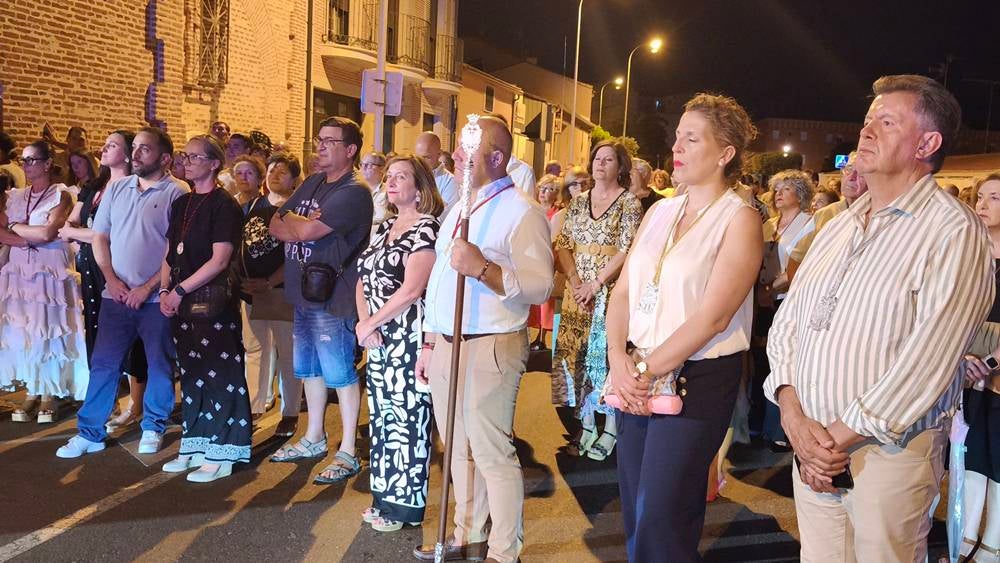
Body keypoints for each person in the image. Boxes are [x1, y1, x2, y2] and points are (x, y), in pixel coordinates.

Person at [764, 75, 994, 562]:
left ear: (927, 143)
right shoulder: (839, 225)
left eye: (886, 122)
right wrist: (792, 413)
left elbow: (927, 363)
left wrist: (831, 441)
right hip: (811, 442)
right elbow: (789, 325)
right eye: (868, 120)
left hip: (888, 456)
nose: (866, 131)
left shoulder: (954, 232)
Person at [605, 93, 762, 562]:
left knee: (664, 511)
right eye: (677, 136)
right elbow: (624, 292)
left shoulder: (740, 220)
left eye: (691, 139)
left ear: (725, 153)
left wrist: (647, 368)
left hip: (696, 379)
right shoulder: (659, 211)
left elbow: (714, 316)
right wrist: (618, 358)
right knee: (635, 505)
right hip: (635, 372)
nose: (677, 146)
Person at [412, 116, 554, 563]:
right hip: (447, 341)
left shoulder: (523, 211)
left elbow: (539, 286)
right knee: (455, 447)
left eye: (469, 150)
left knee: (491, 451)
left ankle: (502, 550)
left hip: (491, 341)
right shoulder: (459, 207)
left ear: (497, 158)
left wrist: (482, 268)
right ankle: (464, 531)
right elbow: (438, 281)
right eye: (458, 148)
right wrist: (430, 340)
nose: (457, 155)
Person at [56, 127, 188, 458]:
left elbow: (175, 250)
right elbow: (100, 237)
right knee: (104, 364)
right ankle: (90, 432)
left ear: (165, 157)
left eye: (145, 149)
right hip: (115, 295)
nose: (136, 154)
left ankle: (154, 426)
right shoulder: (117, 189)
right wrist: (111, 281)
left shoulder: (177, 192)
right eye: (136, 148)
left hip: (156, 297)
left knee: (159, 364)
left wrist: (146, 288)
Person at [268, 116, 373, 487]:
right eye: (320, 139)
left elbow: (306, 229)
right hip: (303, 294)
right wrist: (301, 220)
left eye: (330, 141)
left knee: (340, 374)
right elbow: (274, 223)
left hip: (333, 297)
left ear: (350, 150)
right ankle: (313, 436)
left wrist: (302, 223)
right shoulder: (313, 181)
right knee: (309, 370)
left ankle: (347, 449)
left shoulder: (354, 190)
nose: (321, 146)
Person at [356, 154, 443, 532]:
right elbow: (361, 278)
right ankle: (382, 497)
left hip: (407, 338)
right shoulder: (384, 226)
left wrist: (372, 322)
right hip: (376, 338)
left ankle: (405, 507)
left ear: (419, 188)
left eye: (401, 176)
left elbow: (412, 291)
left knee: (408, 422)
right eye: (389, 176)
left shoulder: (427, 228)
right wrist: (364, 324)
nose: (391, 182)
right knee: (381, 419)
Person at [157, 134, 248, 482]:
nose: (188, 161)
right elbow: (170, 252)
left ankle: (225, 448)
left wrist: (179, 290)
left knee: (221, 372)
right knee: (192, 372)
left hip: (211, 302)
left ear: (214, 163)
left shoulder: (224, 205)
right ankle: (195, 442)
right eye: (186, 155)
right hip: (180, 299)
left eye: (196, 156)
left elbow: (220, 258)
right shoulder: (182, 203)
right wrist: (165, 289)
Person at [552, 140, 642, 461]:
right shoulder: (578, 203)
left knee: (604, 361)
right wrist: (577, 281)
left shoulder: (629, 203)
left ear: (620, 167)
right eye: (596, 159)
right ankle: (587, 424)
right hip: (579, 294)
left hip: (609, 294)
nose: (600, 164)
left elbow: (626, 248)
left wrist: (596, 282)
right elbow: (563, 243)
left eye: (607, 160)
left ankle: (611, 429)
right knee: (577, 362)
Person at [58, 130, 149, 432]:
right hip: (91, 269)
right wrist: (75, 237)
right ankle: (106, 401)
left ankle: (136, 404)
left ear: (127, 154)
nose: (103, 149)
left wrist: (78, 234)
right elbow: (70, 223)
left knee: (133, 338)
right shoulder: (96, 186)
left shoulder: (135, 186)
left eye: (112, 145)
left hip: (118, 267)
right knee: (98, 335)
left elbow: (109, 233)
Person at [0, 140, 88, 423]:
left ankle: (48, 392)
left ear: (48, 163)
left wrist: (16, 230)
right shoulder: (16, 195)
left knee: (48, 328)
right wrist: (26, 237)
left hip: (49, 268)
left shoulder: (60, 194)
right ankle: (31, 391)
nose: (25, 165)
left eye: (31, 160)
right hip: (20, 269)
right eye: (23, 160)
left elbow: (50, 232)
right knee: (24, 327)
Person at [240, 153, 303, 437]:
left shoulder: (295, 210)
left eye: (283, 170)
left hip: (280, 291)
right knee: (254, 350)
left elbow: (295, 255)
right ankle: (253, 407)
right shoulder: (252, 205)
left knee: (287, 355)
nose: (275, 173)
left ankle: (289, 413)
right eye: (272, 168)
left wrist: (269, 280)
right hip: (250, 291)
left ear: (293, 180)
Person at [752, 170, 813, 451]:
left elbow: (798, 269)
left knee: (781, 362)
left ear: (800, 195)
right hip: (761, 299)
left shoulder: (808, 226)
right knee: (759, 362)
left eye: (786, 189)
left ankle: (778, 427)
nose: (778, 193)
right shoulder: (769, 225)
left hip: (786, 301)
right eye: (776, 188)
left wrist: (771, 289)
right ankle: (756, 422)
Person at [959, 172, 1000, 562]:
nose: (983, 204)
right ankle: (964, 541)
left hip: (995, 373)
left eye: (995, 198)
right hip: (965, 367)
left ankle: (992, 547)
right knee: (969, 457)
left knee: (998, 462)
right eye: (980, 196)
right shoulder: (968, 253)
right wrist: (963, 357)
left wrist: (989, 362)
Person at [787, 151, 868, 277]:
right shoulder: (824, 214)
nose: (851, 177)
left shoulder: (879, 217)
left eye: (861, 173)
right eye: (848, 169)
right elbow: (797, 257)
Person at [527, 174, 563, 351]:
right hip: (532, 257)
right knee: (534, 301)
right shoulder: (533, 208)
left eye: (549, 189)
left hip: (548, 259)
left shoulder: (557, 213)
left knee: (546, 303)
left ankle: (544, 337)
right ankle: (536, 336)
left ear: (555, 193)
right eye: (542, 188)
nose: (543, 192)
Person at [414, 131, 459, 218]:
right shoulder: (411, 176)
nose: (420, 162)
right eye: (417, 157)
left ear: (439, 154)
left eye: (426, 157)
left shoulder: (450, 182)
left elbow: (444, 217)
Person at [360, 151, 388, 235]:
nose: (363, 168)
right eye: (362, 164)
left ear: (382, 168)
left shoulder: (388, 192)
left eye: (369, 165)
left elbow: (381, 219)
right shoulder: (357, 191)